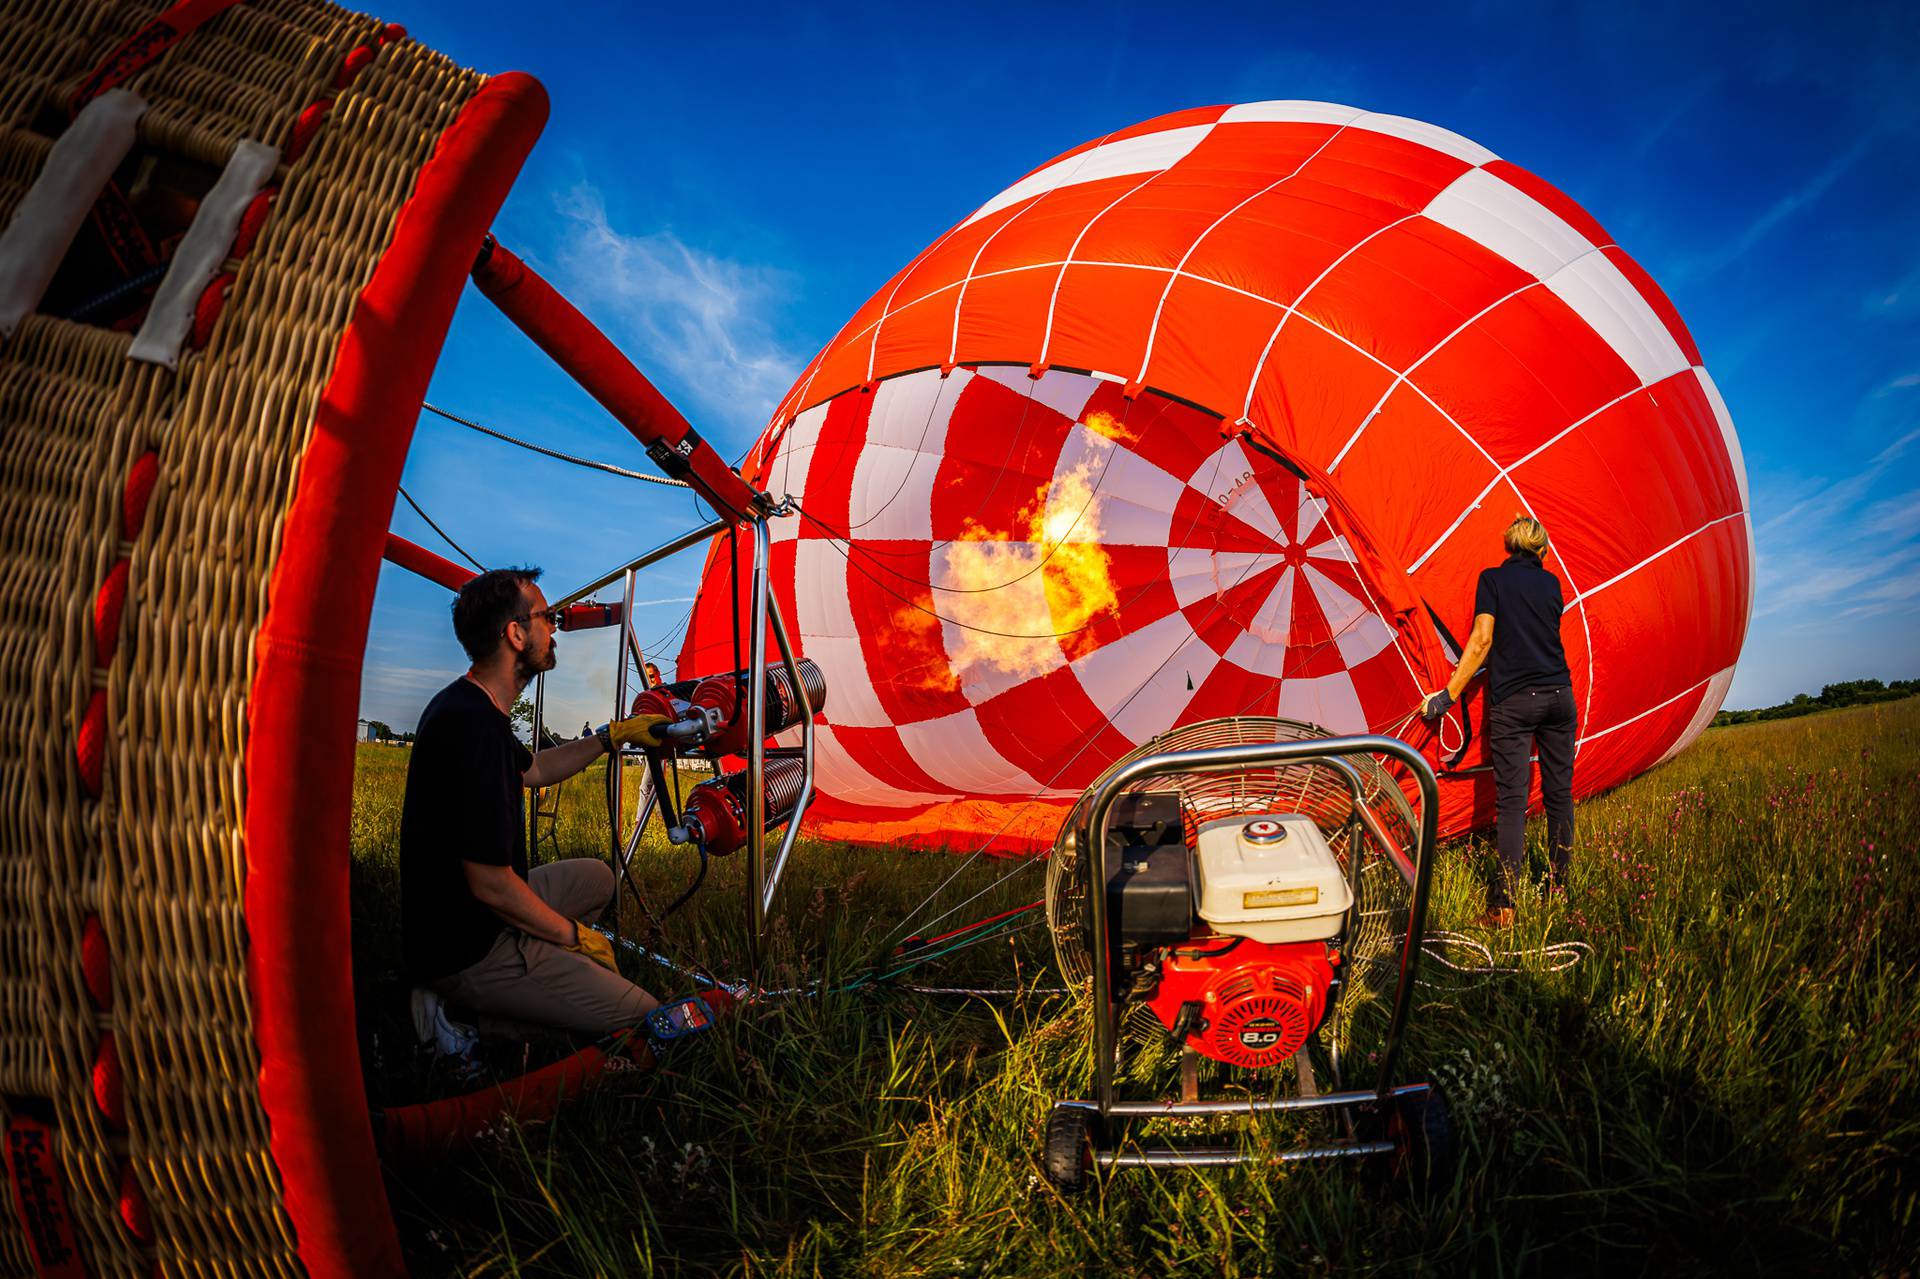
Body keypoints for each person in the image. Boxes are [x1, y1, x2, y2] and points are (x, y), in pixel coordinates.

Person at [402, 566, 671, 1039]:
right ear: (515, 634)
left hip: (477, 915)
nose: (556, 627)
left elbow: (537, 769)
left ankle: (529, 961)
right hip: (467, 945)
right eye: (546, 618)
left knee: (597, 878)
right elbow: (492, 886)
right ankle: (458, 1019)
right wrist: (574, 938)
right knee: (640, 1017)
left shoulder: (471, 706)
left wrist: (611, 738)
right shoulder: (473, 728)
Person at [1422, 516, 1575, 929]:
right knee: (1560, 796)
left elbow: (1482, 640)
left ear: (1508, 547)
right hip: (1560, 696)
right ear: (1541, 550)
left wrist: (1448, 694)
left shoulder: (1492, 579)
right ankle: (1559, 890)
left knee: (1512, 804)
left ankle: (1505, 907)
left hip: (1515, 702)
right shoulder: (1553, 585)